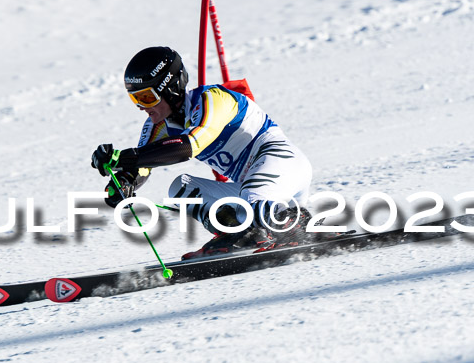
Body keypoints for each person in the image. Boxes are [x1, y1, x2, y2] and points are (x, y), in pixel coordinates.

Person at [91, 46, 313, 259]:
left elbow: (188, 146)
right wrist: (123, 181)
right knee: (181, 188)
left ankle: (296, 224)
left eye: (146, 97)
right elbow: (141, 165)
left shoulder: (212, 99)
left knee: (251, 200)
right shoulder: (157, 126)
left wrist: (125, 158)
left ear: (170, 87)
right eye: (135, 99)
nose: (141, 107)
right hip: (251, 185)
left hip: (281, 163)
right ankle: (239, 233)